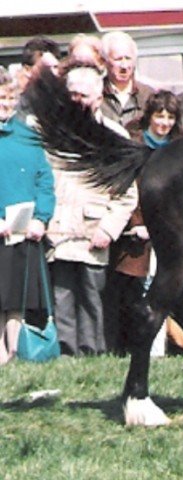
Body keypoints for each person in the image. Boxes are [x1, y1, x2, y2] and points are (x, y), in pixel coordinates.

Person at [47, 64, 138, 356]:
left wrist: (109, 229)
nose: (77, 101)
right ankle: (65, 352)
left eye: (83, 96)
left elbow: (127, 195)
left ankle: (92, 354)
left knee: (92, 296)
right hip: (58, 230)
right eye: (72, 94)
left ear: (99, 98)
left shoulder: (114, 135)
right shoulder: (51, 133)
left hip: (93, 231)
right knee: (61, 295)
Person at [103, 90, 183, 355]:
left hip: (172, 227)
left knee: (165, 284)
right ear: (149, 116)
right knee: (132, 288)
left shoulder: (181, 146)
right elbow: (128, 187)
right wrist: (137, 223)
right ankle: (126, 346)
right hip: (139, 229)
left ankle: (158, 348)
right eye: (159, 116)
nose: (164, 123)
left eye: (170, 117)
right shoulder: (134, 141)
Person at [0, 67, 55, 365]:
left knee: (16, 298)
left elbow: (45, 182)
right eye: (0, 99)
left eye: (9, 99)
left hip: (23, 231)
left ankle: (13, 352)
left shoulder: (29, 137)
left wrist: (41, 218)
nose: (5, 105)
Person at [99, 31, 154, 127]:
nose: (124, 66)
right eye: (118, 59)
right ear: (105, 61)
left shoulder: (148, 94)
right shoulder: (94, 93)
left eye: (128, 58)